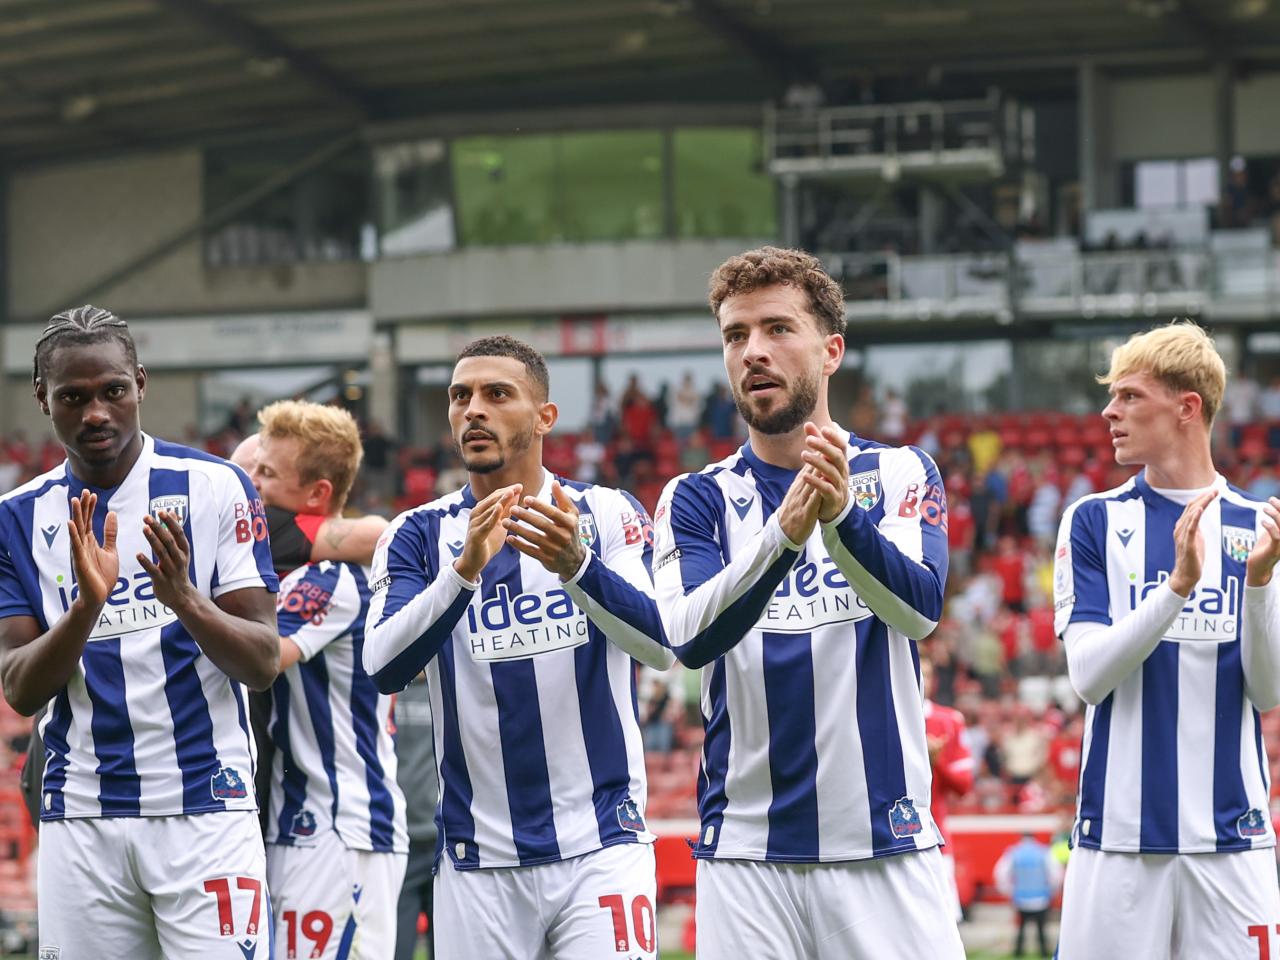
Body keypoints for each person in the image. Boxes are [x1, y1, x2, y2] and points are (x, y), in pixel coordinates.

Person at [652, 247, 965, 958]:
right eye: (736, 336)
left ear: (831, 351)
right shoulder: (695, 498)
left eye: (777, 329)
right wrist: (785, 534)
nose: (754, 351)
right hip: (746, 858)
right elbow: (688, 637)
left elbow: (918, 611)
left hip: (884, 846)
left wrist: (844, 517)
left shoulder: (898, 471)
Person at [362, 335, 674, 959]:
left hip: (601, 846)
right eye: (460, 397)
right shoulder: (416, 535)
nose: (472, 409)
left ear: (544, 417)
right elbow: (385, 667)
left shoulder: (606, 513)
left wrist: (577, 567)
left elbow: (661, 645)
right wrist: (462, 572)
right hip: (479, 861)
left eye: (496, 394)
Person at [0, 305, 280, 958]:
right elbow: (18, 687)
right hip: (82, 819)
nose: (96, 413)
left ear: (141, 386)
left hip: (208, 809)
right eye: (74, 396)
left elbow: (264, 659)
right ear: (43, 399)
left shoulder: (215, 488)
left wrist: (185, 599)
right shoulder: (15, 518)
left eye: (112, 392)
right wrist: (84, 609)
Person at [1053, 321, 1280, 959]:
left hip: (1232, 844)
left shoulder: (1257, 527)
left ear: (1187, 408)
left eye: (1129, 396)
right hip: (1117, 843)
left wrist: (1259, 583)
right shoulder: (1093, 519)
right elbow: (1089, 676)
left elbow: (1266, 689)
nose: (1109, 411)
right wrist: (1175, 589)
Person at [244, 400, 408, 959]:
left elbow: (261, 658)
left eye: (266, 473)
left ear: (315, 494)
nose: (253, 484)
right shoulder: (294, 559)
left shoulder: (332, 577)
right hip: (301, 818)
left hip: (343, 825)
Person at [923, 658, 974, 920]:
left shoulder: (949, 720)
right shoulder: (881, 716)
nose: (922, 678)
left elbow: (964, 786)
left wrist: (937, 762)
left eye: (928, 673)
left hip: (936, 840)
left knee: (943, 923)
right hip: (887, 841)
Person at [392, 673, 438, 960]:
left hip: (444, 847)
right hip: (400, 846)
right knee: (395, 951)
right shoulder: (385, 686)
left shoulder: (447, 686)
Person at [994, 832, 1062, 958]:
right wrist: (1052, 891)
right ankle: (1044, 953)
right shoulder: (1044, 852)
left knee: (1021, 928)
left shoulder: (1013, 852)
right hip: (1041, 898)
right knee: (1041, 929)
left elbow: (1001, 874)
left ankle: (1018, 952)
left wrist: (1009, 891)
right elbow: (1055, 875)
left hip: (1021, 899)